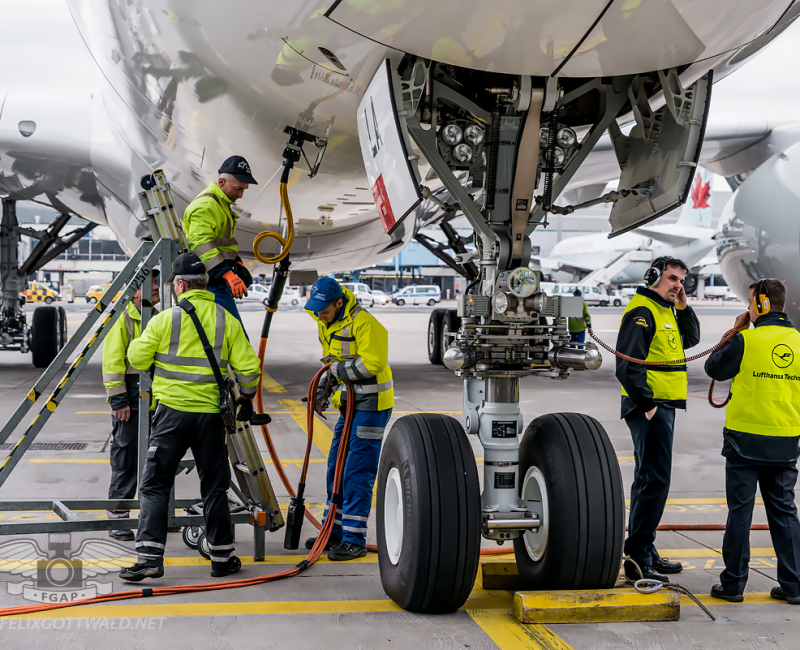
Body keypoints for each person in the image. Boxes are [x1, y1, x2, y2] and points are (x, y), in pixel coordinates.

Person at [119, 252, 262, 581]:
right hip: (210, 417)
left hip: (171, 415)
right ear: (205, 283)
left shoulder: (165, 320)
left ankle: (150, 558)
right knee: (215, 487)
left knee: (155, 485)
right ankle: (221, 558)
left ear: (181, 285)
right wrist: (246, 397)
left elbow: (136, 358)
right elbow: (249, 369)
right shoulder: (226, 319)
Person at [705, 279, 800, 604]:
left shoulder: (746, 340)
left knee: (740, 514)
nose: (748, 308)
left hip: (744, 443)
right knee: (785, 512)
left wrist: (734, 331)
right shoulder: (799, 342)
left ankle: (733, 585)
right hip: (785, 442)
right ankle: (794, 585)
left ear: (760, 304)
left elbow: (713, 367)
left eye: (749, 302)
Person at [616, 256, 700, 582]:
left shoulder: (664, 310)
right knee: (655, 481)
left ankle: (643, 549)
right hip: (651, 407)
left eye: (681, 281)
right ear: (653, 276)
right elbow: (627, 364)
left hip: (662, 406)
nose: (678, 285)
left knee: (648, 480)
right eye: (672, 278)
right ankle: (638, 557)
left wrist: (683, 306)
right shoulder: (643, 311)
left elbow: (690, 339)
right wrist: (648, 404)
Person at [303, 277, 394, 561]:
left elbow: (373, 362)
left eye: (324, 310)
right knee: (337, 464)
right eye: (316, 310)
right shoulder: (325, 319)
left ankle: (354, 539)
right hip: (350, 403)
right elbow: (333, 358)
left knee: (357, 470)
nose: (320, 315)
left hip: (371, 404)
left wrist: (336, 372)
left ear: (339, 303)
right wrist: (325, 388)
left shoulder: (364, 323)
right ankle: (333, 530)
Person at [102, 271, 160, 541]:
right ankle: (118, 518)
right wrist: (119, 400)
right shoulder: (123, 317)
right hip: (131, 400)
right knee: (125, 460)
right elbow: (112, 362)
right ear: (135, 291)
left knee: (157, 459)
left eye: (157, 283)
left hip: (155, 400)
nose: (157, 287)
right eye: (152, 283)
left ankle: (158, 515)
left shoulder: (158, 316)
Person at [183, 155, 258, 325]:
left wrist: (236, 263)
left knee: (227, 333)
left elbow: (222, 244)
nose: (240, 195)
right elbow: (200, 245)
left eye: (244, 190)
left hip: (215, 280)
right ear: (221, 182)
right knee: (235, 334)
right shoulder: (206, 205)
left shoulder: (219, 204)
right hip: (208, 284)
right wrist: (227, 274)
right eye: (238, 189)